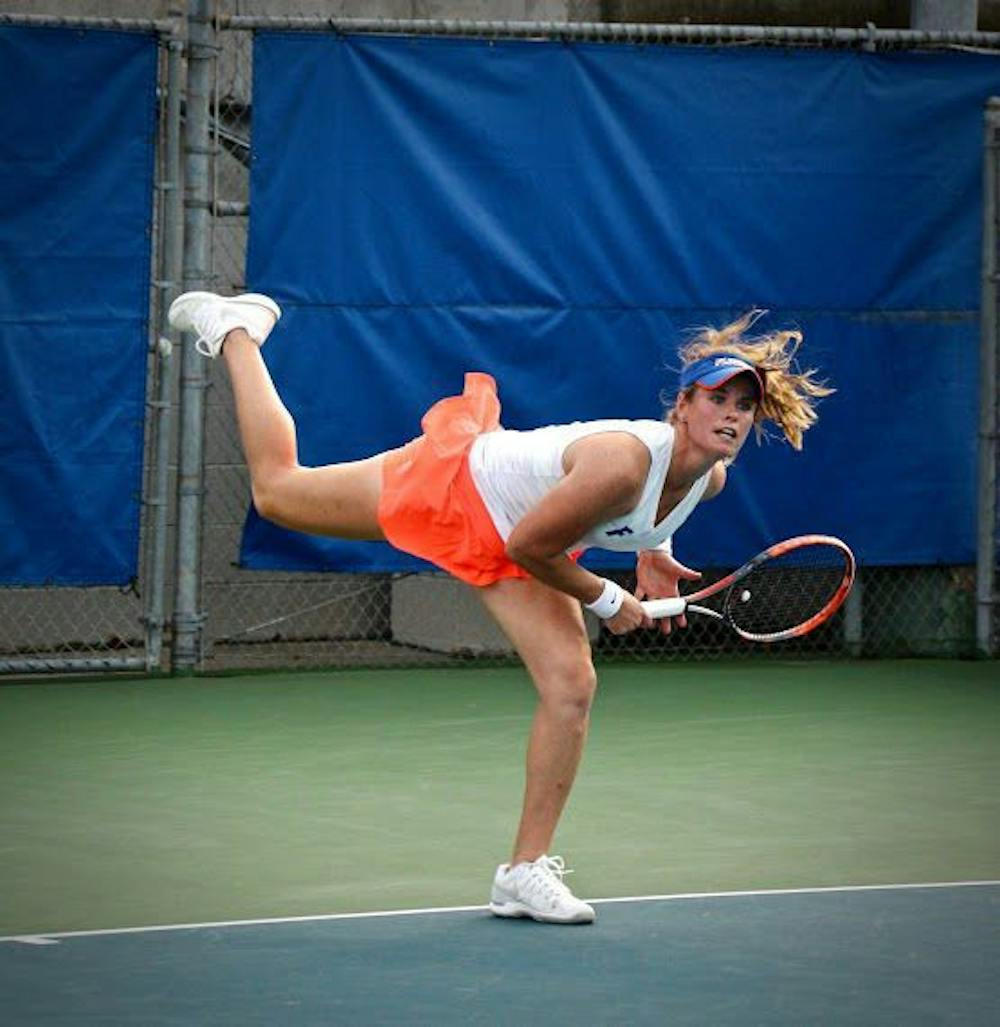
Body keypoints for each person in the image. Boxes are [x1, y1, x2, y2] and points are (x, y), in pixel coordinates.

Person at [168, 292, 830, 925]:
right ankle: (236, 332)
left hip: (519, 532)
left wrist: (654, 550)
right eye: (718, 397)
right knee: (281, 493)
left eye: (745, 404)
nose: (734, 414)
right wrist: (609, 598)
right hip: (458, 489)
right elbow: (531, 546)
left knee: (571, 684)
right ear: (683, 406)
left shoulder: (708, 478)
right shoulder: (621, 463)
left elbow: (646, 510)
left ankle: (523, 870)